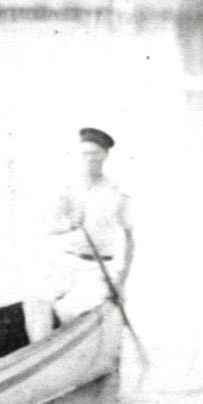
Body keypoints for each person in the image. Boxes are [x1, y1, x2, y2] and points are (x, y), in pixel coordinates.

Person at [38, 126, 134, 330]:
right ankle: (42, 352)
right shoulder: (69, 188)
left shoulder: (116, 192)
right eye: (85, 153)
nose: (90, 158)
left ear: (105, 155)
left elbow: (130, 239)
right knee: (35, 298)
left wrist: (121, 283)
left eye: (95, 153)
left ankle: (66, 351)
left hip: (98, 268)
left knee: (69, 309)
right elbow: (48, 228)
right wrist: (68, 222)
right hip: (66, 264)